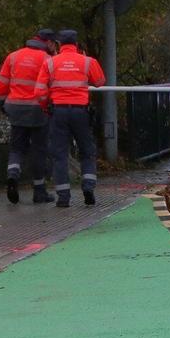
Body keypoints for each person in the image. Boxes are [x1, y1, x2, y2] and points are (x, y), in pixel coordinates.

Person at [46, 28, 106, 207]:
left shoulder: (51, 63)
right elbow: (100, 82)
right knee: (87, 151)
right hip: (80, 112)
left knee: (60, 154)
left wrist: (46, 106)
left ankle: (63, 197)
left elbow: (41, 89)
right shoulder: (87, 61)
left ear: (60, 45)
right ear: (76, 44)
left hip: (58, 112)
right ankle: (88, 186)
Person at [0, 31, 55, 204]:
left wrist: (1, 102)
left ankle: (13, 174)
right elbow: (52, 85)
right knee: (39, 150)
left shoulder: (13, 57)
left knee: (16, 148)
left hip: (15, 107)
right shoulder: (46, 59)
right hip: (38, 109)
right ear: (48, 43)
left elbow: (1, 82)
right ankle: (39, 191)